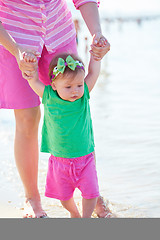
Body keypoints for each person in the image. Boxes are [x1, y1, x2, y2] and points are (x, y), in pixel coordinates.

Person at [0, 0, 110, 218]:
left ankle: (92, 193)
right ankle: (32, 198)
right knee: (27, 118)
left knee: (76, 110)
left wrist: (97, 33)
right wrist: (16, 49)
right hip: (13, 38)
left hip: (58, 33)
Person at [23, 51, 101, 218]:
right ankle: (74, 214)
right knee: (64, 198)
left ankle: (85, 219)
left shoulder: (83, 95)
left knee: (92, 193)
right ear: (54, 85)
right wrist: (30, 65)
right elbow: (33, 80)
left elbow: (93, 72)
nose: (75, 91)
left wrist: (96, 58)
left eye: (79, 85)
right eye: (68, 87)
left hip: (85, 158)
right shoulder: (48, 96)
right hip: (60, 161)